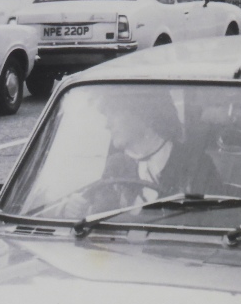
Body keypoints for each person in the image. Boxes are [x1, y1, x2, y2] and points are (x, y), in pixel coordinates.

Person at [61, 93, 223, 217]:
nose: (107, 125)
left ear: (143, 114)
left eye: (114, 114)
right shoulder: (116, 165)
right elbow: (102, 215)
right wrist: (80, 210)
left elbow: (207, 223)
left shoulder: (196, 165)